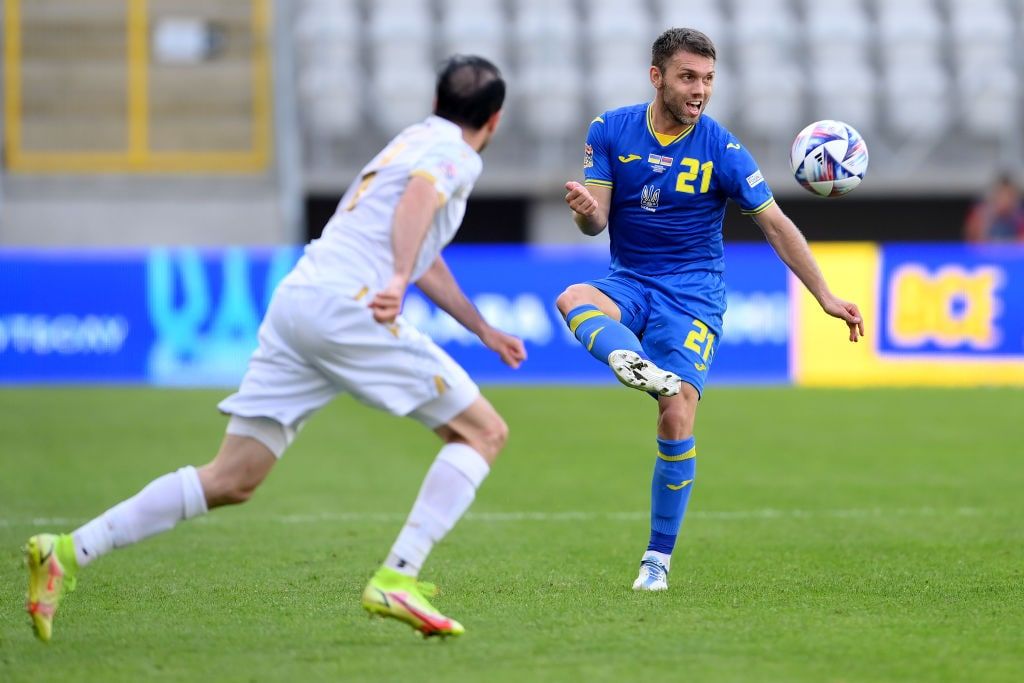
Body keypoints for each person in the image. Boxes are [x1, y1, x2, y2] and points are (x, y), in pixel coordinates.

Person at [24, 55, 525, 641]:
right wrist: (393, 281)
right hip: (349, 308)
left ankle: (66, 551)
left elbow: (423, 254)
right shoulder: (455, 155)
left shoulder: (413, 138)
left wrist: (481, 328)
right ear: (494, 118)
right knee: (483, 432)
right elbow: (418, 204)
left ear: (437, 102)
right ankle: (399, 575)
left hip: (300, 301)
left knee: (233, 477)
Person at [556, 28, 864, 591]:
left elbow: (774, 223)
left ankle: (657, 559)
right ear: (658, 78)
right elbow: (595, 220)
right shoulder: (611, 130)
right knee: (572, 297)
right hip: (630, 280)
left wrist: (825, 295)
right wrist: (581, 211)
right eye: (688, 77)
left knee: (675, 415)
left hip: (693, 297)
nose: (700, 91)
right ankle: (632, 363)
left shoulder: (722, 148)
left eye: (708, 80)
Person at [963, 172, 1024, 243]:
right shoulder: (980, 214)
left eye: (1009, 196)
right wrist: (988, 219)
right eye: (1001, 195)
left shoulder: (1020, 216)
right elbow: (970, 240)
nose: (1005, 200)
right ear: (994, 195)